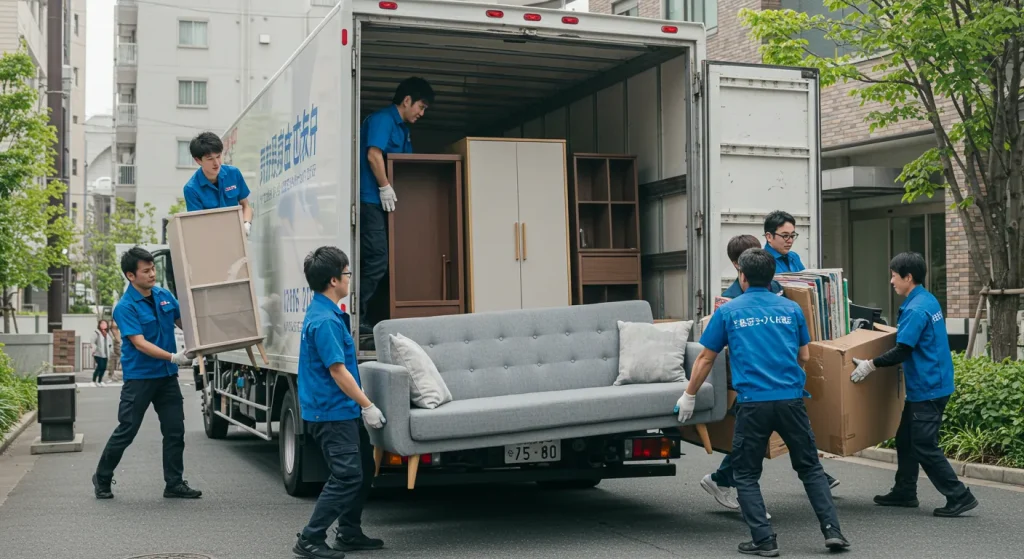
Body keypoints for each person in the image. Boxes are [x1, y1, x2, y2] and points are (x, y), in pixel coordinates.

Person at [677, 248, 849, 556]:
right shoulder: (791, 309)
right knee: (810, 468)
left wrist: (689, 395)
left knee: (745, 473)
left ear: (742, 276)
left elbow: (705, 358)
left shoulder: (729, 311)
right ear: (772, 277)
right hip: (791, 401)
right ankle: (832, 532)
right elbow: (804, 357)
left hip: (753, 402)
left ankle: (764, 540)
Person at [700, 236, 840, 517]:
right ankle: (728, 485)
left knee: (756, 441)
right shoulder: (732, 300)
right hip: (754, 382)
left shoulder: (774, 289)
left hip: (772, 381)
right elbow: (711, 353)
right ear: (738, 267)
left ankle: (731, 487)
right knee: (755, 445)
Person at [850, 252, 979, 517]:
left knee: (923, 444)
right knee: (906, 439)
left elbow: (902, 350)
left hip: (928, 387)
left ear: (908, 277)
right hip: (931, 382)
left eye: (894, 276)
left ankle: (959, 495)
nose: (891, 281)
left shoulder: (916, 308)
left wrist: (869, 365)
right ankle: (905, 491)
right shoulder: (926, 299)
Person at [293, 246, 388, 559]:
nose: (350, 278)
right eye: (347, 273)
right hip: (332, 411)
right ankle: (310, 538)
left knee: (362, 467)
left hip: (340, 409)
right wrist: (368, 405)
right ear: (333, 280)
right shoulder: (326, 322)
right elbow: (338, 371)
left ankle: (349, 531)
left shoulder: (328, 313)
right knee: (347, 475)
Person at [92, 247, 200, 500]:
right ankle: (102, 476)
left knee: (175, 430)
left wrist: (200, 341)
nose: (152, 274)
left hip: (166, 376)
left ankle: (174, 483)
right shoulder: (125, 307)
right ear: (131, 275)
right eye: (146, 271)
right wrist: (175, 356)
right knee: (127, 429)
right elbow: (139, 343)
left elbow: (183, 322)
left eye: (153, 269)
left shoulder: (164, 295)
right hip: (140, 378)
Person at [358, 77, 434, 336]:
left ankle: (379, 316)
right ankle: (356, 315)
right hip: (371, 201)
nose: (422, 113)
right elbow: (373, 154)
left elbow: (405, 163)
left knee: (391, 260)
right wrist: (384, 186)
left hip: (388, 203)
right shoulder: (382, 120)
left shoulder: (402, 129)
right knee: (377, 259)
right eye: (421, 107)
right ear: (407, 101)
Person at [182, 131, 254, 237]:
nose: (216, 163)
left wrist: (246, 224)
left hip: (237, 236)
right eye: (210, 159)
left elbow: (246, 206)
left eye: (218, 156)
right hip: (212, 240)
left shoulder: (233, 173)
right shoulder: (191, 189)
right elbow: (197, 223)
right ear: (198, 160)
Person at [91, 319, 115, 385]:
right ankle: (93, 381)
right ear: (99, 325)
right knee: (100, 366)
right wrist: (93, 349)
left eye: (105, 324)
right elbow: (92, 342)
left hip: (106, 354)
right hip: (98, 353)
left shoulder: (107, 334)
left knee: (103, 368)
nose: (104, 325)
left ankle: (100, 381)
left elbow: (110, 343)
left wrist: (111, 350)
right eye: (102, 323)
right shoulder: (96, 333)